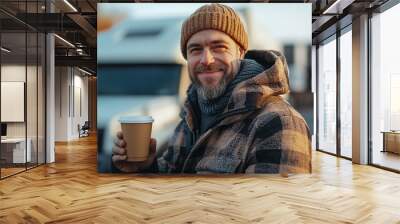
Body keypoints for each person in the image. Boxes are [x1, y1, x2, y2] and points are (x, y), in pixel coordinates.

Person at [112, 3, 312, 174]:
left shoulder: (278, 122)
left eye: (219, 47)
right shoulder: (190, 116)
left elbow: (274, 210)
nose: (206, 60)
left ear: (240, 52)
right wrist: (147, 166)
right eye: (195, 49)